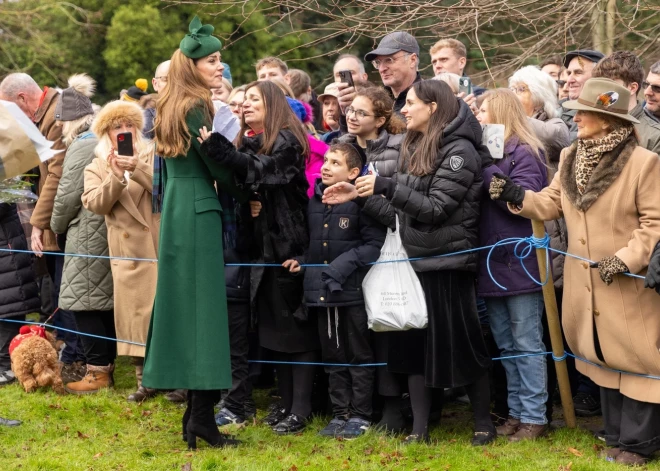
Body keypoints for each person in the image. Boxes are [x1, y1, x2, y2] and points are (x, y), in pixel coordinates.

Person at [490, 77, 660, 466]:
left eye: (585, 112)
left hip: (627, 281)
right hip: (588, 284)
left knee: (639, 358)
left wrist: (626, 259)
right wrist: (519, 197)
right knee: (604, 357)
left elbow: (654, 224)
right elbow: (550, 203)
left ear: (608, 119)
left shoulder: (644, 163)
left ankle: (639, 444)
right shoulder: (570, 156)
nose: (576, 116)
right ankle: (617, 437)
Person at [323, 80, 495, 445]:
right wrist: (360, 196)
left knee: (463, 345)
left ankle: (483, 423)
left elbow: (435, 209)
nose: (405, 109)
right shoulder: (416, 144)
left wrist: (385, 185)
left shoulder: (460, 150)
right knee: (414, 349)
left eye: (412, 103)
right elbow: (400, 212)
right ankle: (419, 429)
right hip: (414, 259)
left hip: (448, 263)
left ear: (433, 108)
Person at [201, 80, 318, 436]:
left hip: (290, 249)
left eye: (254, 99)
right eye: (244, 99)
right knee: (275, 334)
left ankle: (302, 408)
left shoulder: (287, 140)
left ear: (272, 103)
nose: (246, 104)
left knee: (296, 333)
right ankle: (284, 403)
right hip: (263, 253)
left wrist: (219, 147)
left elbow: (262, 169)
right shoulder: (251, 139)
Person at [282, 142, 385, 438]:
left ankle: (361, 415)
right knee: (333, 356)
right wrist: (302, 262)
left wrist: (341, 267)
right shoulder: (314, 200)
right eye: (325, 160)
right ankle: (340, 413)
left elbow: (373, 245)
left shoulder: (361, 201)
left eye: (335, 162)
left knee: (358, 355)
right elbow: (313, 245)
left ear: (353, 172)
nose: (325, 166)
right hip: (320, 293)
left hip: (351, 291)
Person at [0, 72, 85, 385]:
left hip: (64, 218)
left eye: (10, 112)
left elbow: (56, 174)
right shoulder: (45, 113)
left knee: (68, 290)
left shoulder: (59, 112)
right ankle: (69, 351)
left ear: (23, 99)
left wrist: (38, 223)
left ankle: (76, 357)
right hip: (53, 216)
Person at [476, 89, 549, 441]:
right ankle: (516, 413)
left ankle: (535, 417)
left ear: (500, 113)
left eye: (482, 110)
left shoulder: (525, 152)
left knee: (527, 342)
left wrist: (486, 168)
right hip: (490, 261)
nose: (477, 116)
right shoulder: (485, 152)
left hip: (519, 260)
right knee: (505, 343)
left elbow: (524, 201)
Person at [81, 99, 160, 402]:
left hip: (156, 242)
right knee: (135, 316)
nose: (123, 131)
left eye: (129, 125)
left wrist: (136, 168)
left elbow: (166, 188)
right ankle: (145, 381)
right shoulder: (97, 164)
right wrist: (115, 176)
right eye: (117, 127)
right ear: (106, 132)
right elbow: (95, 204)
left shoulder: (153, 154)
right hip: (127, 251)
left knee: (163, 311)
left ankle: (176, 380)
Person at [49, 74, 116, 395]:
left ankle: (97, 373)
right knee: (101, 301)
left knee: (84, 302)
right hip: (102, 229)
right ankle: (105, 368)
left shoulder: (82, 144)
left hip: (86, 232)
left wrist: (55, 227)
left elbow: (66, 196)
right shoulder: (99, 140)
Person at [591, 51, 660, 154]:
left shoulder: (654, 136)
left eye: (609, 85)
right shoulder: (590, 123)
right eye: (600, 85)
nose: (647, 92)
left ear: (632, 88)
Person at [338, 86, 405, 177]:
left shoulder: (398, 151)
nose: (352, 117)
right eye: (351, 110)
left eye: (361, 113)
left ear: (379, 121)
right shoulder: (339, 146)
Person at [508, 66, 570, 164]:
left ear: (539, 99)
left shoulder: (555, 124)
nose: (513, 95)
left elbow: (551, 136)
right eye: (512, 89)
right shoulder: (508, 124)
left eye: (521, 89)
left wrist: (512, 117)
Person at [364, 31, 422, 114]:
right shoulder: (377, 102)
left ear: (412, 60)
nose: (381, 69)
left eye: (389, 60)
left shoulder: (426, 99)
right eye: (378, 62)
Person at [561, 50, 605, 140]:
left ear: (598, 77)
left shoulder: (609, 112)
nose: (569, 80)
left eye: (578, 72)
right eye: (569, 73)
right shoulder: (554, 109)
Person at [143, 60, 170, 139]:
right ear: (155, 84)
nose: (173, 85)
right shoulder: (145, 120)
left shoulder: (196, 113)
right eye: (166, 79)